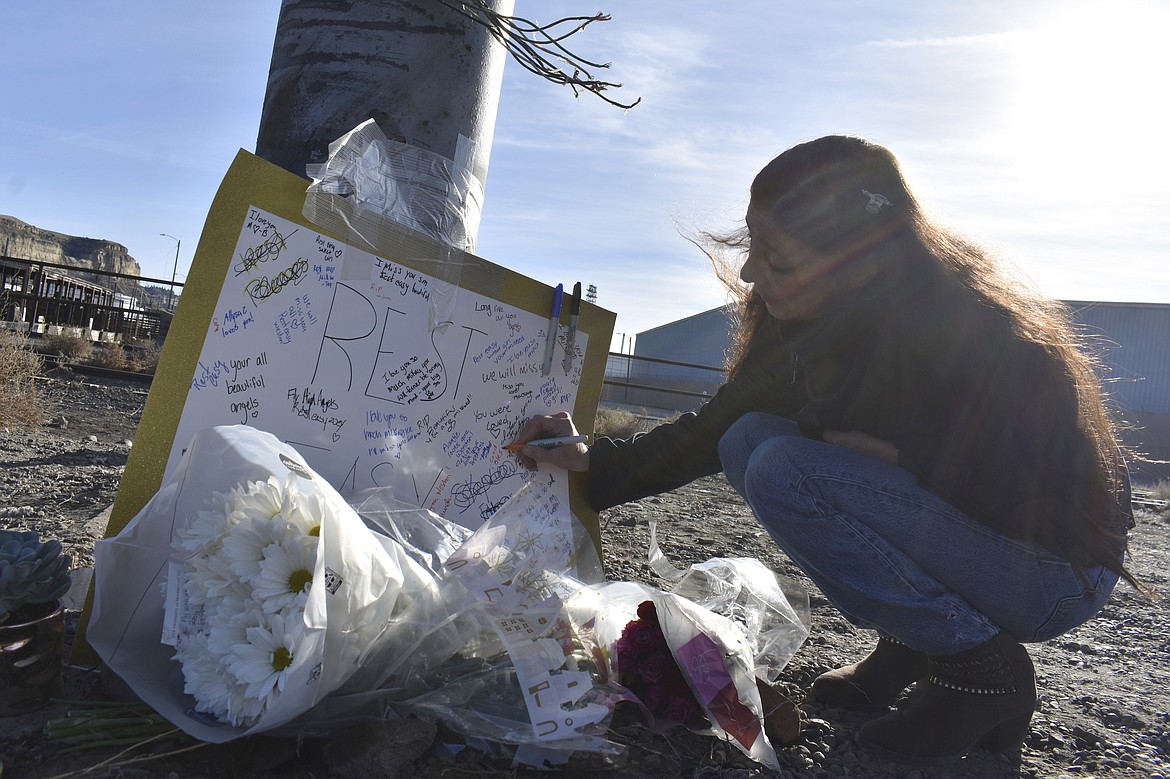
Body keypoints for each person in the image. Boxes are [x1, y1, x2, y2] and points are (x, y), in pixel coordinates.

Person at [513, 135, 1144, 766]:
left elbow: (1058, 499)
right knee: (748, 440)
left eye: (779, 260)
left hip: (1053, 571)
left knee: (787, 471)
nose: (753, 272)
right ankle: (914, 643)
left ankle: (979, 672)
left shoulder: (977, 336)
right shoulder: (805, 326)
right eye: (752, 243)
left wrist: (911, 460)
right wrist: (591, 460)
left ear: (863, 267)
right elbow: (713, 432)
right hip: (976, 539)